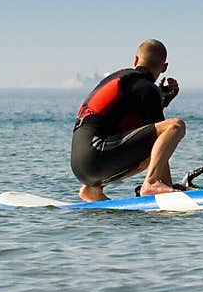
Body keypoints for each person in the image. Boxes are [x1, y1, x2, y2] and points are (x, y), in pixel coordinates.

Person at [70, 39, 186, 201]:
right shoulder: (146, 87)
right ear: (164, 67)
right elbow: (160, 135)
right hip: (97, 153)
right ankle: (152, 183)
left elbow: (142, 129)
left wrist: (162, 100)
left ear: (136, 60)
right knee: (176, 125)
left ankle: (92, 190)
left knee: (151, 156)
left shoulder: (120, 79)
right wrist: (167, 186)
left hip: (79, 165)